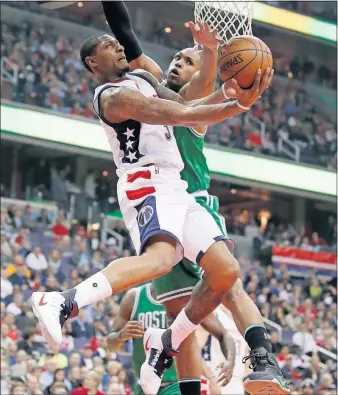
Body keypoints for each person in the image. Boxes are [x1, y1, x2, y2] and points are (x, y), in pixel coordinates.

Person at [31, 26, 271, 395]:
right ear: (93, 63)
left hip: (176, 186)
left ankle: (165, 342)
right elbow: (168, 112)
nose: (118, 45)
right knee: (160, 260)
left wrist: (228, 93)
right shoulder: (110, 97)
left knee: (226, 270)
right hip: (146, 183)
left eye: (117, 42)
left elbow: (187, 107)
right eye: (110, 46)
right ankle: (63, 301)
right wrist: (236, 104)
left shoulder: (143, 77)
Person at [98, 3, 288, 395]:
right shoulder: (157, 92)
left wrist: (211, 51)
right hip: (160, 207)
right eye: (176, 57)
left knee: (230, 285)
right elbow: (126, 34)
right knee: (179, 314)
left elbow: (204, 81)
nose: (176, 63)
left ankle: (264, 361)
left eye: (186, 60)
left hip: (193, 204)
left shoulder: (195, 97)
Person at [106, 283, 235, 395]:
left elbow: (223, 334)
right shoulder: (134, 297)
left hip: (176, 384)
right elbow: (111, 345)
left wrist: (230, 360)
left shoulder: (188, 298)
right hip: (143, 385)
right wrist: (120, 335)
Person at [197, 305, 249, 394]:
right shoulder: (212, 312)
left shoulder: (243, 317)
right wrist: (211, 379)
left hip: (237, 384)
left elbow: (246, 357)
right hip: (216, 381)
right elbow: (194, 351)